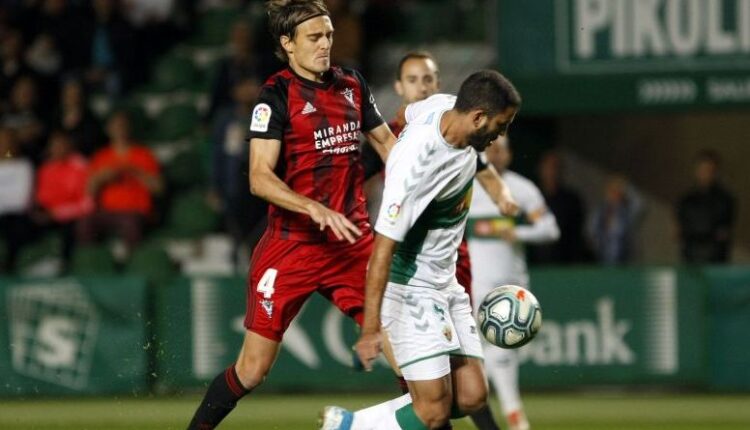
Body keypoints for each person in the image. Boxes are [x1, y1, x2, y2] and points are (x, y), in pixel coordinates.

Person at [186, 1, 396, 428]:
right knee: (252, 370)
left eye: (329, 36)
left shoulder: (352, 82)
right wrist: (313, 207)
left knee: (411, 360)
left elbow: (389, 147)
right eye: (314, 38)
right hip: (290, 248)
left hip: (353, 246)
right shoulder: (275, 95)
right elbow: (259, 178)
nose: (325, 45)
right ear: (288, 44)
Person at [320, 70, 522, 430]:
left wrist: (496, 188)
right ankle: (349, 428)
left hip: (445, 283)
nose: (500, 135)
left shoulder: (444, 106)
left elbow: (409, 113)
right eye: (500, 125)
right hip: (410, 287)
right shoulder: (417, 170)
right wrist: (370, 330)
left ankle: (356, 423)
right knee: (433, 413)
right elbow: (382, 250)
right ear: (477, 117)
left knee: (473, 396)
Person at [467, 137, 560, 430]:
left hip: (512, 283)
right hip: (471, 283)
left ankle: (507, 412)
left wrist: (519, 234)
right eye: (491, 147)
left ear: (510, 153)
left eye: (503, 147)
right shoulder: (465, 185)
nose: (497, 152)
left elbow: (550, 229)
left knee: (501, 347)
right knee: (479, 349)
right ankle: (508, 413)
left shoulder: (521, 188)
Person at [77, 110, 162, 263]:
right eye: (115, 126)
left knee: (130, 224)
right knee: (85, 224)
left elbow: (158, 188)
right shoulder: (101, 156)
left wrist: (135, 171)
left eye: (122, 126)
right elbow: (89, 190)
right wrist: (101, 178)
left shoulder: (143, 154)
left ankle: (134, 264)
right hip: (106, 212)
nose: (119, 129)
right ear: (108, 130)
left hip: (135, 211)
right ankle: (91, 265)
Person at [34, 130, 94, 273]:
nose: (57, 149)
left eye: (61, 145)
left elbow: (87, 204)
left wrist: (57, 213)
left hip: (72, 216)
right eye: (54, 146)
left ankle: (64, 266)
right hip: (48, 214)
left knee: (70, 229)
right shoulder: (46, 169)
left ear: (70, 146)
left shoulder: (81, 166)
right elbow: (41, 198)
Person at [676, 149, 736, 263]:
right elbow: (679, 230)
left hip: (716, 258)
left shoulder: (725, 199)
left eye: (709, 170)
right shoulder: (686, 200)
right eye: (702, 169)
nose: (705, 174)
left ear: (716, 172)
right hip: (690, 257)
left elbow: (723, 231)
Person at [528, 150, 586, 264]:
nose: (552, 172)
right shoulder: (530, 198)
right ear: (540, 169)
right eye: (548, 167)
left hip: (564, 265)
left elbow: (575, 238)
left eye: (556, 167)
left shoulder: (572, 201)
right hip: (535, 266)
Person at [587, 174, 643, 265]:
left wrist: (627, 188)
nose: (615, 195)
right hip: (603, 259)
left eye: (618, 192)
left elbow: (640, 204)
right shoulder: (600, 212)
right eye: (612, 192)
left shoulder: (627, 212)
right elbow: (591, 232)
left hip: (625, 261)